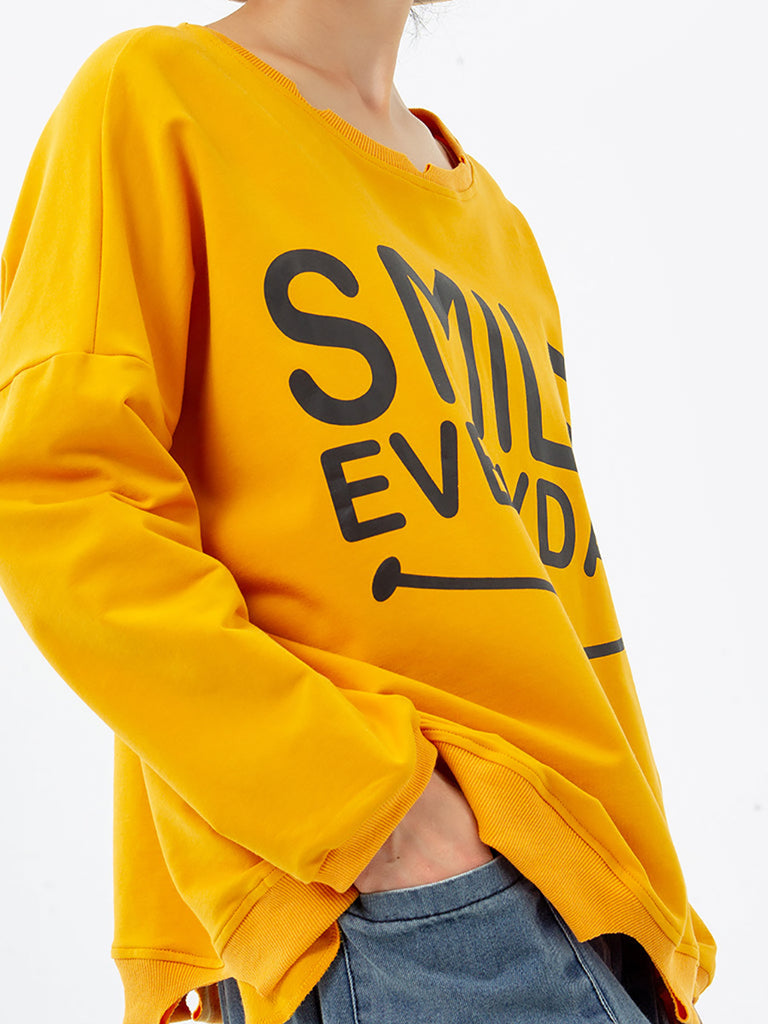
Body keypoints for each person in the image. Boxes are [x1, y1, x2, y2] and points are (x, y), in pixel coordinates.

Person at [0, 0, 715, 1022]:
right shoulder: (158, 97)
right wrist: (379, 814)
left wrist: (646, 921)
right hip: (396, 914)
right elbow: (60, 493)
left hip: (598, 898)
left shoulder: (498, 224)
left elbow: (553, 597)